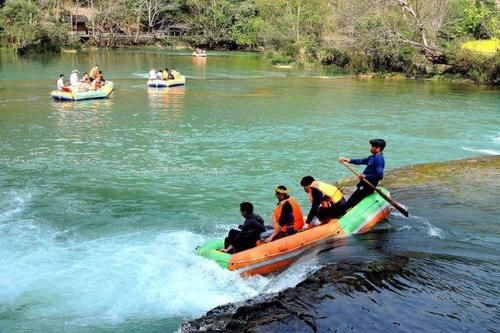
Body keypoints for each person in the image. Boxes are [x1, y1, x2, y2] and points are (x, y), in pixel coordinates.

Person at [339, 139, 386, 211]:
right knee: (351, 202)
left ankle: (342, 213)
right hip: (363, 184)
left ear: (378, 148)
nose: (371, 148)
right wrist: (348, 160)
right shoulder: (372, 157)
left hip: (368, 186)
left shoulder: (378, 160)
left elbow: (380, 176)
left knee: (350, 203)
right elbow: (361, 161)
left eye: (372, 146)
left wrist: (366, 176)